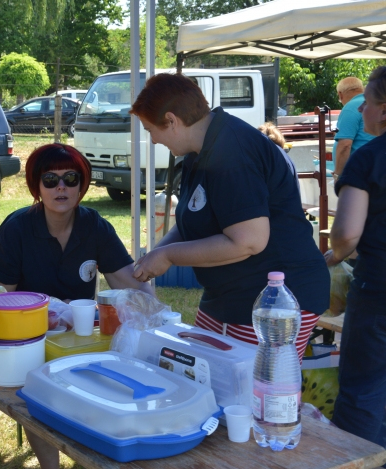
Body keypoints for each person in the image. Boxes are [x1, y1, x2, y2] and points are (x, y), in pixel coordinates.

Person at [130, 73, 329, 362]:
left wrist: (169, 257)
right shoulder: (198, 152)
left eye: (151, 130)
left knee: (249, 394)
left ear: (172, 120)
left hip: (274, 298)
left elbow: (249, 241)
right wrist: (158, 253)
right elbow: (192, 225)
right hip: (227, 295)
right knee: (200, 374)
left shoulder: (233, 150)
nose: (153, 141)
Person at [0, 143, 154, 469]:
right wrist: (39, 317)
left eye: (70, 178)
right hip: (27, 343)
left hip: (82, 338)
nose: (61, 187)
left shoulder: (95, 227)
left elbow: (132, 287)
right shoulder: (17, 229)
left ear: (82, 185)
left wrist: (156, 312)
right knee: (37, 392)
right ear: (37, 187)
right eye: (49, 179)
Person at [325, 66, 386, 448]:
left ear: (383, 110)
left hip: (379, 291)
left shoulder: (369, 159)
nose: (361, 110)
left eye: (367, 103)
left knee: (362, 395)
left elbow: (346, 233)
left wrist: (334, 255)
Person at [333, 77, 374, 178]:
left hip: (360, 174)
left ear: (340, 94)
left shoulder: (351, 107)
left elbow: (345, 145)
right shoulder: (374, 103)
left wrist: (338, 175)